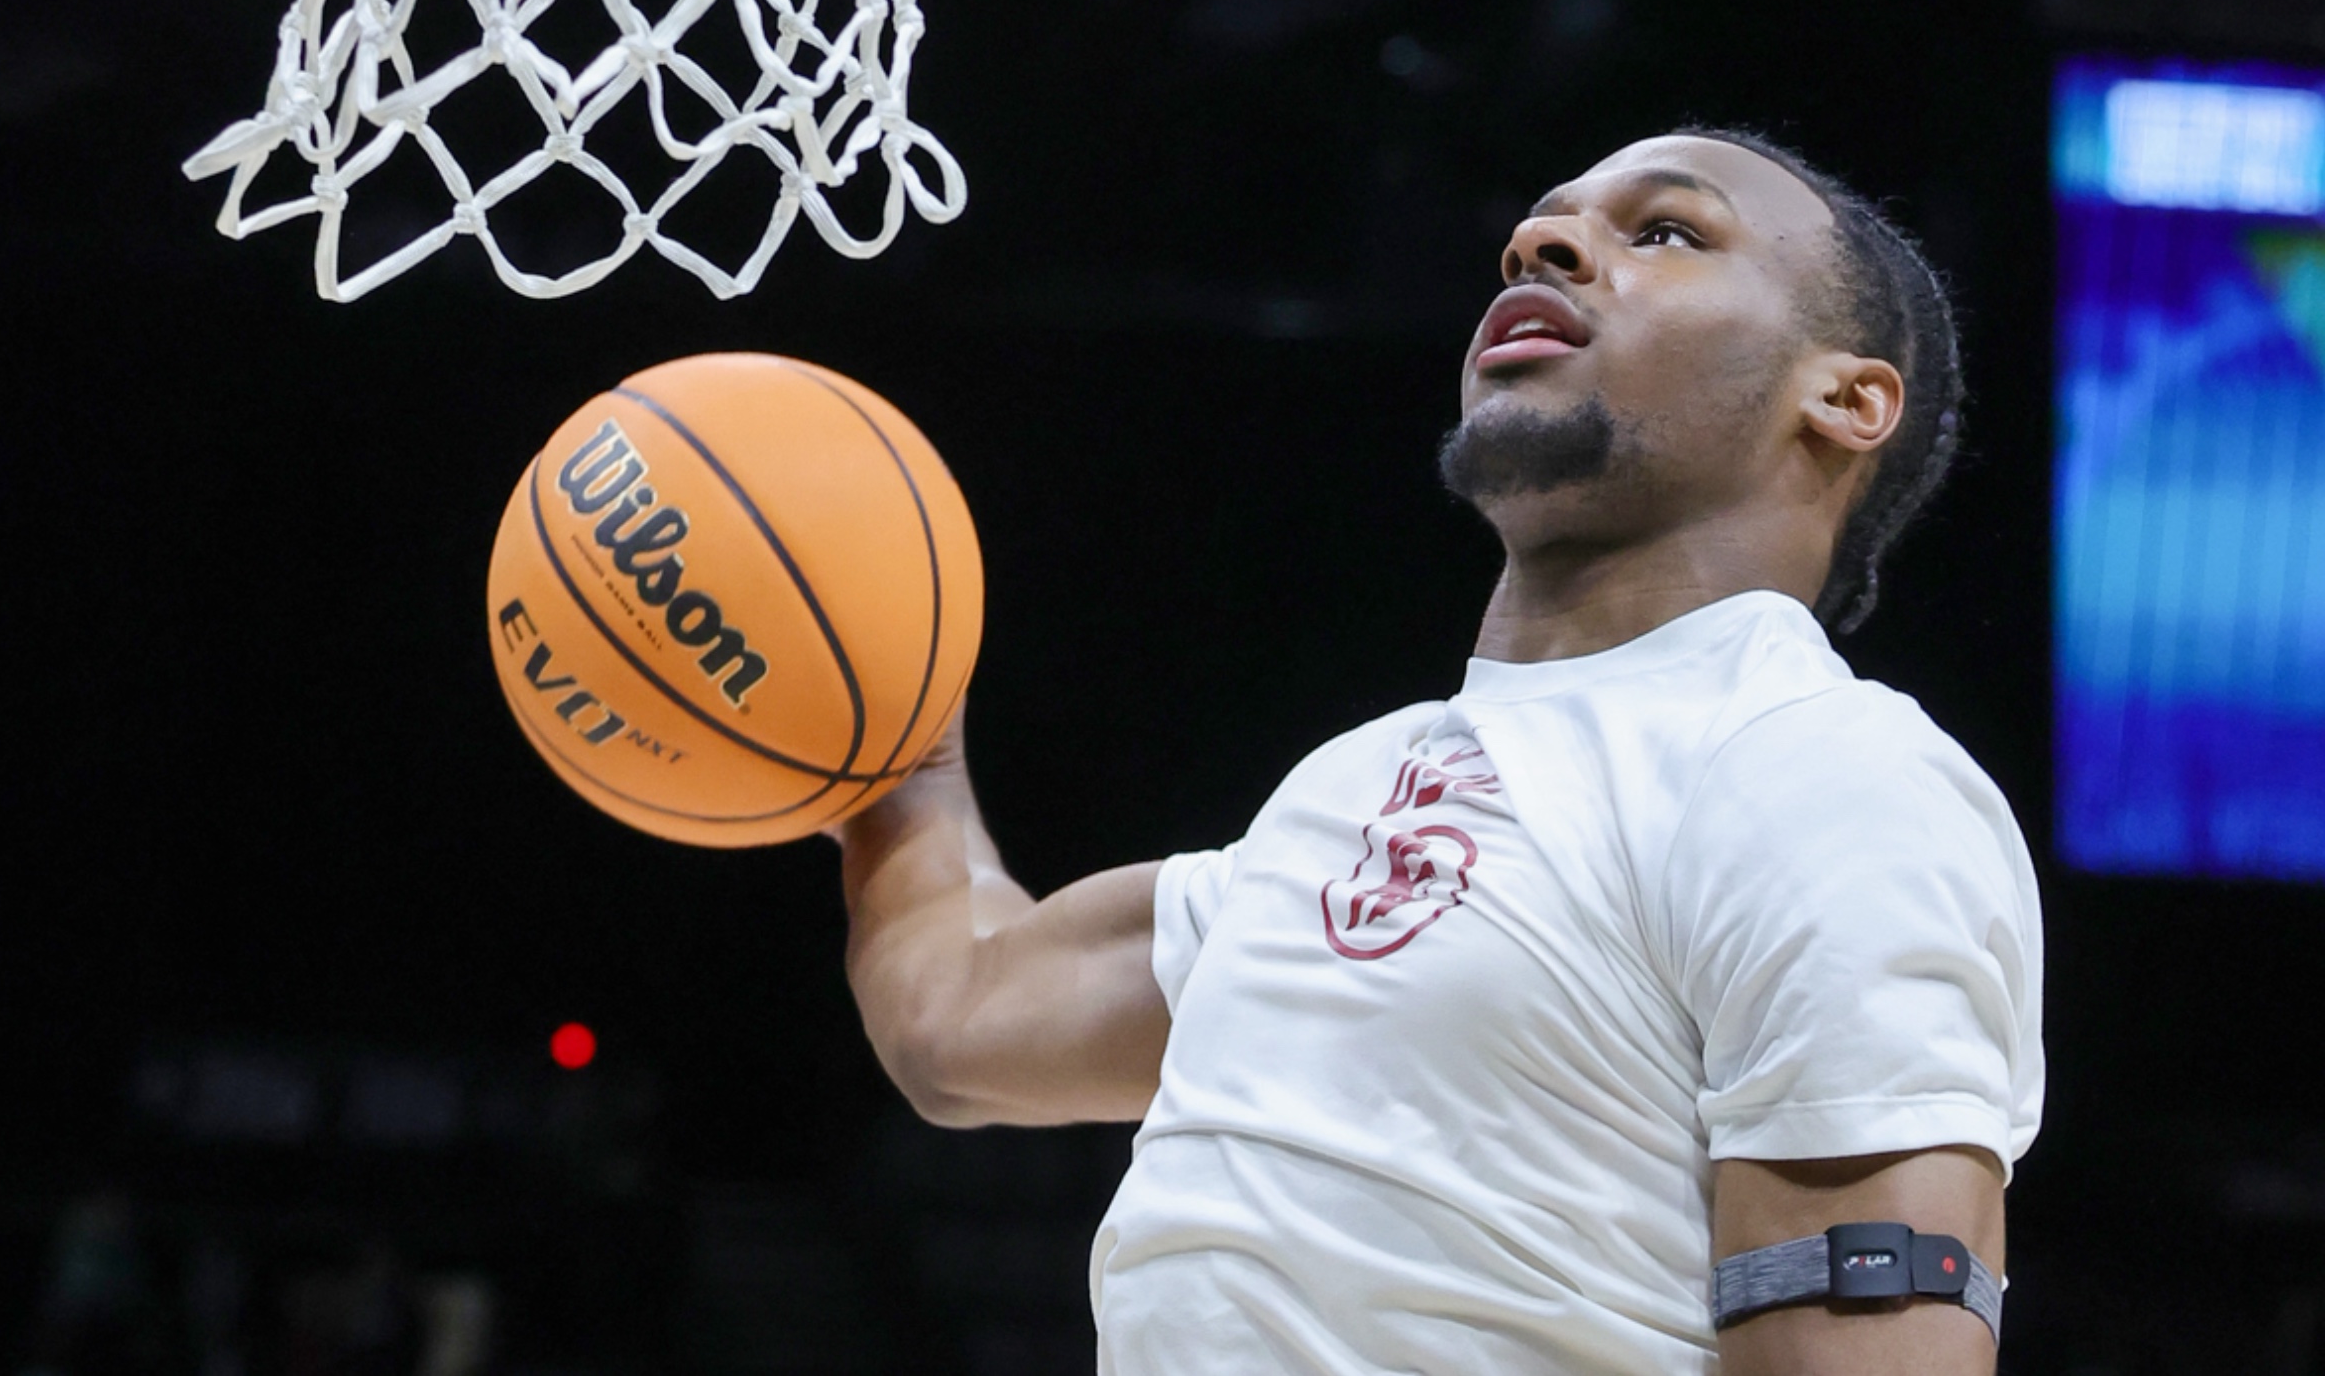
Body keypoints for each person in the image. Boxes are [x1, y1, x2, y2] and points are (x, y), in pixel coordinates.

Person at [833, 130, 2043, 1376]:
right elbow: (959, 1019)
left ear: (1845, 398)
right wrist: (865, 718)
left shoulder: (1815, 771)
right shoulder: (1357, 785)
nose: (1541, 243)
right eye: (1541, 224)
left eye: (1666, 231)